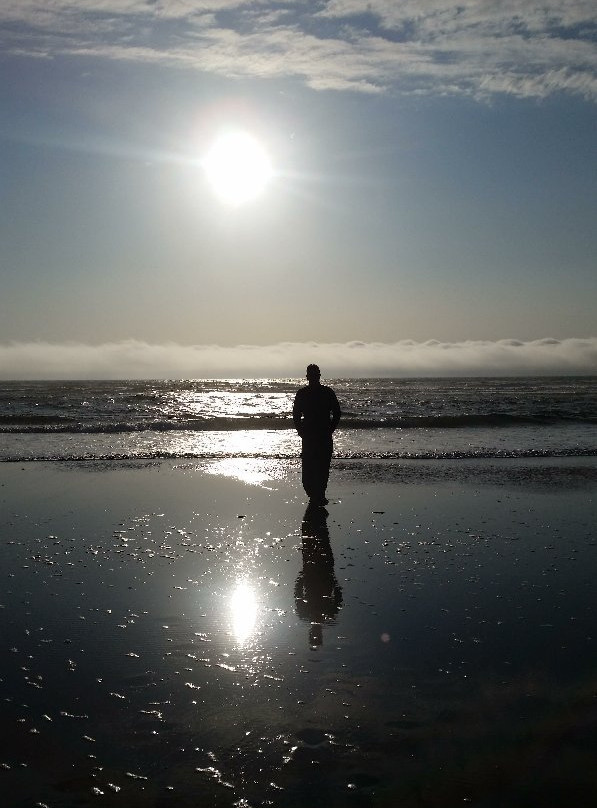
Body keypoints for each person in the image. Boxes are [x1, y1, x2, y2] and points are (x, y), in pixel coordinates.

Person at [292, 364, 341, 506]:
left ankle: (318, 496)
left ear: (317, 376)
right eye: (312, 375)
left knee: (320, 468)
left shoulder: (325, 392)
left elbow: (337, 413)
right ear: (308, 377)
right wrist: (300, 431)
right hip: (312, 436)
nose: (313, 378)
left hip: (319, 435)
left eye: (314, 375)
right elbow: (296, 415)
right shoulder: (306, 393)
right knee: (313, 469)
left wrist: (330, 429)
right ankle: (316, 496)